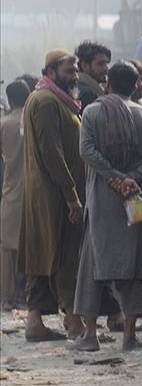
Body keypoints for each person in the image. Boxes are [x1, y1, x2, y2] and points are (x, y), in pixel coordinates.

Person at [69, 61, 142, 352]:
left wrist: (113, 178)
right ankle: (130, 335)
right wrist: (130, 179)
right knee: (134, 264)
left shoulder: (93, 112)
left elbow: (87, 151)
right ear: (135, 86)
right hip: (136, 199)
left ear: (107, 84)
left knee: (93, 264)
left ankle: (90, 335)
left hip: (102, 199)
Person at [19, 49, 86, 341]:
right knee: (63, 253)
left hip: (47, 192)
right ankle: (73, 321)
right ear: (50, 71)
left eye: (75, 71)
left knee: (42, 253)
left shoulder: (54, 99)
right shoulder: (46, 101)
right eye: (68, 71)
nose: (74, 76)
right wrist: (71, 195)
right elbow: (52, 152)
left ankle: (35, 322)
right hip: (55, 195)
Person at [0, 80, 31, 309]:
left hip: (11, 190)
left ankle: (8, 297)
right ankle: (31, 296)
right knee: (33, 244)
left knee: (8, 246)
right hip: (36, 191)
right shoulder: (35, 120)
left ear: (9, 99)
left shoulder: (4, 124)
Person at [75, 40, 111, 109]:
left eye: (106, 63)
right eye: (100, 64)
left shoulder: (81, 87)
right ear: (85, 66)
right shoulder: (88, 94)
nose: (106, 68)